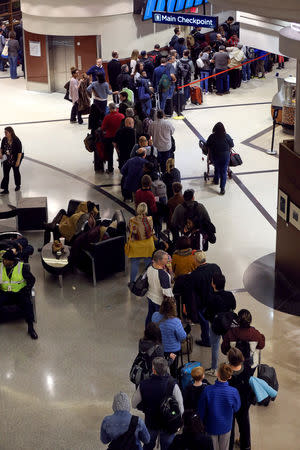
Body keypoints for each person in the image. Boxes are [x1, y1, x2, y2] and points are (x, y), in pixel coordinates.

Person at [132, 357, 184, 450]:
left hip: (151, 422)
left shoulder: (144, 384)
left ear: (153, 369)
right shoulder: (173, 385)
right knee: (168, 447)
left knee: (148, 445)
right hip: (168, 424)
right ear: (166, 368)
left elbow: (133, 404)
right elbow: (180, 407)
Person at [198, 363, 241, 450]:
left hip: (211, 425)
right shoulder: (233, 392)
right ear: (229, 377)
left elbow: (201, 411)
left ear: (217, 374)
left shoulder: (207, 390)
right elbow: (236, 408)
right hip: (226, 426)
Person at [0, 249, 38, 339]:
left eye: (6, 260)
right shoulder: (0, 267)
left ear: (12, 261)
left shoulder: (21, 267)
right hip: (4, 292)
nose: (4, 262)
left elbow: (32, 280)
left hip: (19, 293)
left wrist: (26, 290)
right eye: (3, 260)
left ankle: (31, 328)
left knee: (28, 304)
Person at [204, 273, 236, 377]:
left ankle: (214, 368)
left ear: (213, 284)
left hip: (215, 325)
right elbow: (234, 306)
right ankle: (232, 365)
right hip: (227, 324)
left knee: (215, 345)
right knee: (230, 344)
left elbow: (207, 314)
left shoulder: (211, 298)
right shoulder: (230, 295)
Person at [190, 251, 222, 348]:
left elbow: (193, 291)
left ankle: (206, 340)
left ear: (196, 261)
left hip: (203, 303)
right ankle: (216, 337)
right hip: (215, 299)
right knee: (214, 319)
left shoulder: (194, 274)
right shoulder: (215, 267)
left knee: (204, 323)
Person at [152, 296, 187, 377]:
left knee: (159, 368)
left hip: (158, 348)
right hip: (172, 350)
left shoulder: (155, 316)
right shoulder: (176, 322)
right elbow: (182, 337)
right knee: (173, 371)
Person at [228, 348, 253, 450]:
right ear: (241, 358)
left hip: (229, 405)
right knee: (244, 425)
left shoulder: (226, 372)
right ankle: (245, 445)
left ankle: (229, 445)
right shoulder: (247, 369)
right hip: (243, 403)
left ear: (229, 359)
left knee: (230, 426)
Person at [127, 202, 155, 284]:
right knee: (148, 265)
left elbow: (130, 231)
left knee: (134, 264)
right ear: (146, 210)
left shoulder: (132, 220)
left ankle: (132, 282)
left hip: (135, 246)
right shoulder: (150, 219)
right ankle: (147, 282)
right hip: (148, 246)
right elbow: (151, 231)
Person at [145, 250, 173, 326]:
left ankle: (148, 331)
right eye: (165, 259)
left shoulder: (149, 267)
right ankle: (157, 335)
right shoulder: (163, 275)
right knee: (161, 321)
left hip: (150, 296)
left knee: (150, 315)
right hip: (159, 301)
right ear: (159, 260)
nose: (168, 260)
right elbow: (167, 293)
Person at [206, 122, 234, 195]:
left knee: (217, 167)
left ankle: (216, 180)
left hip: (215, 155)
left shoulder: (211, 136)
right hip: (225, 156)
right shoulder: (227, 136)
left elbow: (207, 145)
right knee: (224, 171)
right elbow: (232, 145)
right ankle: (222, 188)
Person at [101, 102, 125, 173]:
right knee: (120, 153)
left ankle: (110, 168)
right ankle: (121, 167)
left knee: (110, 154)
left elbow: (103, 128)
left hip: (109, 137)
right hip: (120, 138)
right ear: (116, 108)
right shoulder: (122, 116)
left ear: (109, 109)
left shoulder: (107, 117)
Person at [0, 126, 23, 194]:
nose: (5, 133)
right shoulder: (4, 139)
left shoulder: (16, 140)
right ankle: (5, 189)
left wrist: (18, 161)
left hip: (15, 159)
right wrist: (0, 153)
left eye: (6, 132)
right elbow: (1, 148)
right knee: (6, 174)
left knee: (16, 172)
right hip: (6, 159)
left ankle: (18, 185)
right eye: (4, 132)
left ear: (10, 132)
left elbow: (19, 152)